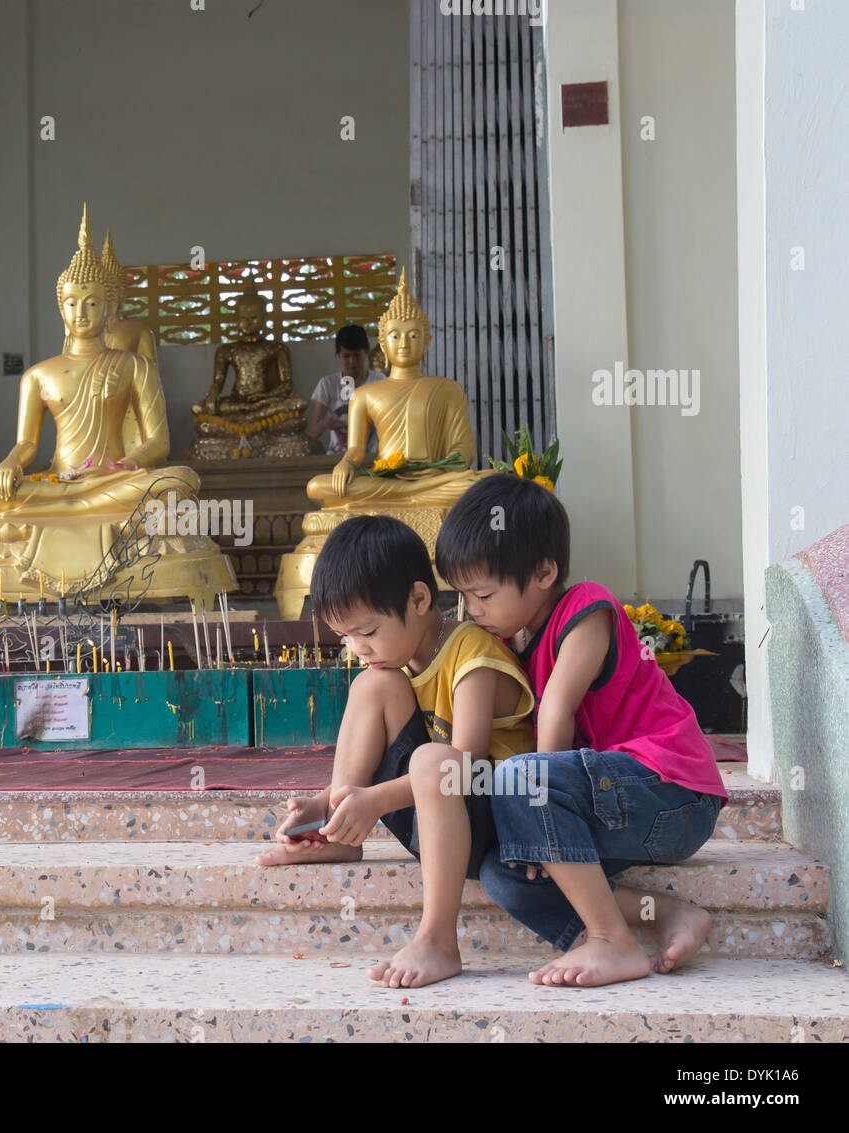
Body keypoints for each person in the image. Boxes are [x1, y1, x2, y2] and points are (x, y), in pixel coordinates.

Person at [435, 473, 728, 987]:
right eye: (464, 596)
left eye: (483, 593)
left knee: (520, 780)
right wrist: (533, 833)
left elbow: (556, 714)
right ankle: (667, 914)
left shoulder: (587, 610)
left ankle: (611, 942)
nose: (473, 609)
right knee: (503, 875)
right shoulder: (511, 644)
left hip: (672, 793)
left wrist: (534, 799)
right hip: (612, 807)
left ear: (545, 571)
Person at [256, 514, 537, 990]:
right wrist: (329, 804)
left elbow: (463, 768)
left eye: (367, 631)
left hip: (499, 829)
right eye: (346, 637)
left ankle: (439, 940)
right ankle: (341, 837)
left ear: (420, 598)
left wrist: (378, 800)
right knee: (372, 686)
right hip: (437, 823)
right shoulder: (396, 663)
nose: (358, 648)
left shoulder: (471, 652)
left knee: (437, 759)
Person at [307, 324, 385, 455]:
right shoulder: (328, 384)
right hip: (337, 458)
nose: (352, 362)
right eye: (346, 356)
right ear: (338, 354)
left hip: (372, 458)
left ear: (366, 351)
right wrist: (326, 423)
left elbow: (390, 423)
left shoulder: (379, 381)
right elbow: (313, 433)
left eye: (357, 355)